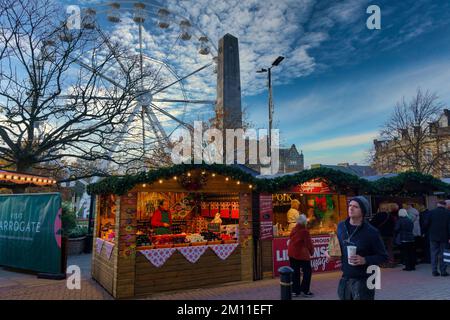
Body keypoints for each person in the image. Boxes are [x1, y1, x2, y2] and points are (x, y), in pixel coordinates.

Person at [327, 196, 388, 300]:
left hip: (365, 279)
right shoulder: (341, 226)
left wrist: (365, 260)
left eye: (355, 207)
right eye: (350, 205)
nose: (351, 208)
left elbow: (383, 256)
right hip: (346, 279)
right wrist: (331, 254)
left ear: (363, 211)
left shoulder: (371, 232)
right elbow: (337, 249)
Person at [288, 214, 314, 297]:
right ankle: (305, 290)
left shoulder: (294, 229)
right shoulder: (304, 231)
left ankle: (295, 291)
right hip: (301, 254)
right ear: (304, 222)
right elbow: (308, 243)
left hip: (292, 253)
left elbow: (291, 237)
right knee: (307, 272)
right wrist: (312, 251)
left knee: (295, 272)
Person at [424, 200, 450, 276]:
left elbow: (426, 224)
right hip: (444, 237)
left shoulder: (431, 212)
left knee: (434, 253)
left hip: (433, 236)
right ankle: (443, 271)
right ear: (444, 205)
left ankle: (434, 271)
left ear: (437, 205)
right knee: (443, 254)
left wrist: (427, 232)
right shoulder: (448, 213)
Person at [369, 203, 396, 267]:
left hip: (381, 235)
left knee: (381, 249)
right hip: (390, 235)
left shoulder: (378, 215)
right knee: (389, 249)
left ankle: (383, 263)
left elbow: (371, 225)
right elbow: (394, 225)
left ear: (380, 209)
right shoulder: (390, 216)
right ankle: (391, 262)